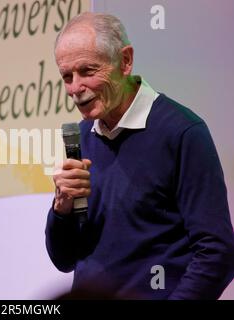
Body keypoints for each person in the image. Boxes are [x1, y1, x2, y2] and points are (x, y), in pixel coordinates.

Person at [45, 12, 234, 299]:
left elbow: (217, 252)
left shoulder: (182, 132)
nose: (75, 89)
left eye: (87, 71)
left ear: (125, 61)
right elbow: (65, 259)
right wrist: (62, 207)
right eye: (67, 76)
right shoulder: (82, 137)